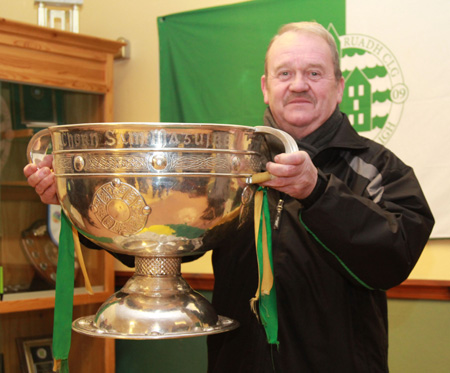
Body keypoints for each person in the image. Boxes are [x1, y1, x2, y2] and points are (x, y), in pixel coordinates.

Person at [24, 22, 434, 372]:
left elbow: (393, 257)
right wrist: (87, 202)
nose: (298, 85)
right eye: (285, 73)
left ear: (340, 86)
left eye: (314, 73)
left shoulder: (379, 167)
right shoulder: (230, 164)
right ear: (265, 86)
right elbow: (162, 246)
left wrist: (319, 192)